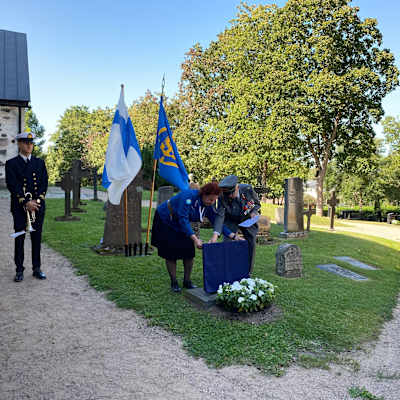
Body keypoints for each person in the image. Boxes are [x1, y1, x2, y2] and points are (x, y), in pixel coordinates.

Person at [151, 182, 230, 292]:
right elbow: (183, 219)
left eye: (214, 200)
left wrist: (232, 235)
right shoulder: (188, 196)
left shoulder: (208, 205)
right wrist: (196, 239)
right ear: (204, 194)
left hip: (181, 223)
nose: (212, 202)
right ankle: (174, 282)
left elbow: (217, 222)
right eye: (211, 199)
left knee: (189, 252)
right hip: (166, 220)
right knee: (170, 253)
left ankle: (187, 281)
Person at [5, 132, 48, 282]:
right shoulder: (11, 164)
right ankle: (19, 270)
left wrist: (37, 201)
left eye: (31, 142)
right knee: (20, 239)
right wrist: (25, 202)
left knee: (37, 239)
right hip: (19, 208)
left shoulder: (39, 163)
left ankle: (37, 268)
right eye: (25, 142)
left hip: (37, 207)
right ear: (19, 144)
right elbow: (12, 185)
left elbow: (44, 184)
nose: (29, 145)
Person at [212, 175, 261, 275]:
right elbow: (220, 215)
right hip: (231, 220)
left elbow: (257, 203)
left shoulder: (247, 189)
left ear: (237, 187)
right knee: (227, 243)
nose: (229, 196)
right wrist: (216, 234)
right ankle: (228, 270)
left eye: (231, 193)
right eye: (227, 194)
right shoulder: (222, 195)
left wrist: (254, 212)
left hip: (247, 219)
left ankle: (248, 272)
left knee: (251, 243)